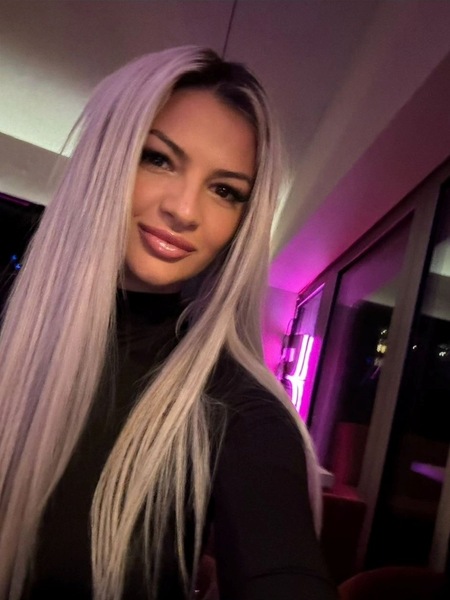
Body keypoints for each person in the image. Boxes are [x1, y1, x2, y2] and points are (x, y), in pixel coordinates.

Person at [0, 46, 338, 600]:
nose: (184, 210)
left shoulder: (237, 407)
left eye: (225, 191)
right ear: (108, 158)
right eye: (159, 159)